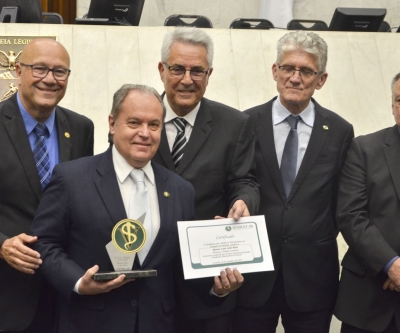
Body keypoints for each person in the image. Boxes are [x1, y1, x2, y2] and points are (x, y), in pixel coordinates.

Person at [30, 84, 236, 333]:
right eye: (134, 123)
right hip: (90, 322)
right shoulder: (71, 178)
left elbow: (182, 267)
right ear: (112, 123)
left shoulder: (181, 190)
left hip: (157, 324)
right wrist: (77, 282)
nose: (144, 133)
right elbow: (44, 243)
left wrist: (217, 285)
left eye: (153, 125)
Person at [234, 31, 354, 333]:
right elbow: (238, 182)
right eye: (288, 68)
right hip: (252, 277)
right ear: (275, 71)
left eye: (307, 71)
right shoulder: (245, 124)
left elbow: (343, 201)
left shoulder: (339, 131)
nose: (295, 78)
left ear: (321, 79)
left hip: (312, 279)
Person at [152, 27, 258, 333]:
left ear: (209, 74)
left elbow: (245, 181)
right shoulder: (138, 116)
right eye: (177, 69)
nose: (187, 79)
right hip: (144, 280)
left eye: (197, 70)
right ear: (162, 70)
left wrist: (243, 201)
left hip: (206, 286)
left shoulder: (235, 124)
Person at [0, 38, 94, 332]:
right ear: (18, 71)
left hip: (65, 293)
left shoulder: (81, 128)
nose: (50, 80)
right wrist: (1, 243)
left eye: (60, 72)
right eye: (39, 69)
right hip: (8, 292)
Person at [334, 73, 400, 333]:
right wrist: (391, 265)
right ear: (392, 106)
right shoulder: (364, 148)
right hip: (369, 299)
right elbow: (352, 216)